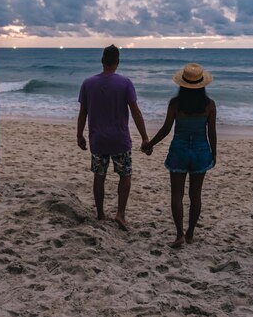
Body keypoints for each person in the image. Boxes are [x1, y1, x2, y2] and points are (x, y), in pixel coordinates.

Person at [143, 63, 217, 248]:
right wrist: (213, 153)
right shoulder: (209, 105)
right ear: (202, 84)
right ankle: (190, 233)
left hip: (179, 151)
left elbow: (167, 129)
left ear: (182, 84)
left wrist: (150, 144)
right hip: (200, 151)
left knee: (176, 195)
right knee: (195, 196)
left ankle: (179, 234)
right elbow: (212, 133)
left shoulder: (175, 104)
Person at [77, 45, 150, 231]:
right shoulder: (125, 83)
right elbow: (136, 112)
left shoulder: (88, 83)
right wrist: (144, 138)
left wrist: (79, 134)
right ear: (118, 62)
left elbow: (83, 113)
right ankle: (120, 214)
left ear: (102, 61)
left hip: (98, 140)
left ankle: (100, 214)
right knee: (125, 175)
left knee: (99, 175)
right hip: (120, 140)